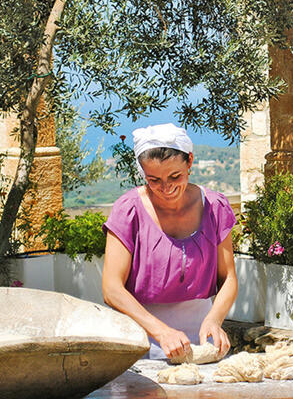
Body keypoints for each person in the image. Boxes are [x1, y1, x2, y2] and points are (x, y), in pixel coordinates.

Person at [101, 123, 238, 360]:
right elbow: (111, 289)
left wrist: (215, 319)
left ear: (190, 161)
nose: (166, 188)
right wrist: (161, 332)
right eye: (154, 180)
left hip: (203, 343)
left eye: (175, 176)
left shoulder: (215, 207)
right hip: (141, 342)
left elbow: (229, 279)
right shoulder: (128, 210)